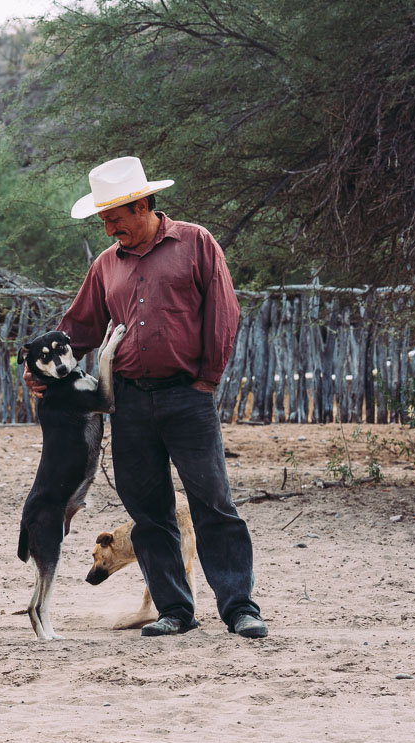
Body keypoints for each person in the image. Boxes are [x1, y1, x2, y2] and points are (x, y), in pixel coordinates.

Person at [25, 156, 267, 639]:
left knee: (212, 500)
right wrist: (39, 372)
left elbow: (224, 310)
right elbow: (79, 328)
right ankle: (175, 611)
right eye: (103, 220)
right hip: (129, 402)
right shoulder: (105, 266)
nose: (110, 227)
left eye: (115, 217)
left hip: (187, 396)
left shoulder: (196, 243)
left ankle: (240, 607)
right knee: (147, 510)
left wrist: (207, 379)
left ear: (142, 205)